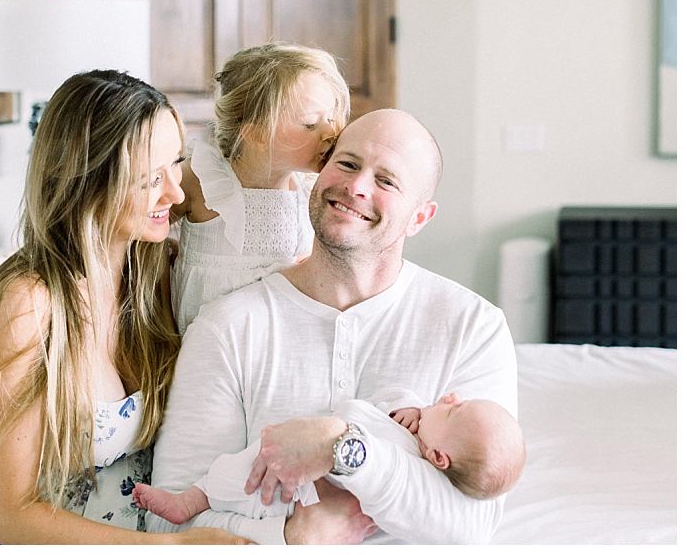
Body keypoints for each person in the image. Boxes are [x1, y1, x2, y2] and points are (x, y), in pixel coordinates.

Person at [148, 108, 519, 544]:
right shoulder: (229, 326)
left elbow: (471, 526)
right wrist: (292, 538)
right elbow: (169, 520)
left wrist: (342, 446)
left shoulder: (473, 327)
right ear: (319, 173)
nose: (357, 186)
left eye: (386, 181)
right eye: (347, 163)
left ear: (420, 217)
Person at [0, 70, 250, 545]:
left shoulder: (157, 273)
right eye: (151, 179)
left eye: (176, 164)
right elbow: (8, 514)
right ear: (89, 182)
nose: (174, 193)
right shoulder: (29, 303)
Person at [170, 43, 351, 333]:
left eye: (330, 117)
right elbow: (140, 226)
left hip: (283, 338)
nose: (330, 132)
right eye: (309, 124)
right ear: (256, 133)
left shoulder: (312, 189)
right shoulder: (202, 177)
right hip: (209, 339)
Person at [133, 392, 524, 524]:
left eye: (455, 410)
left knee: (243, 474)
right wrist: (418, 415)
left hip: (302, 492)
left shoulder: (422, 483)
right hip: (300, 456)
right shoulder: (420, 429)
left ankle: (191, 501)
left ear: (440, 458)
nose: (450, 396)